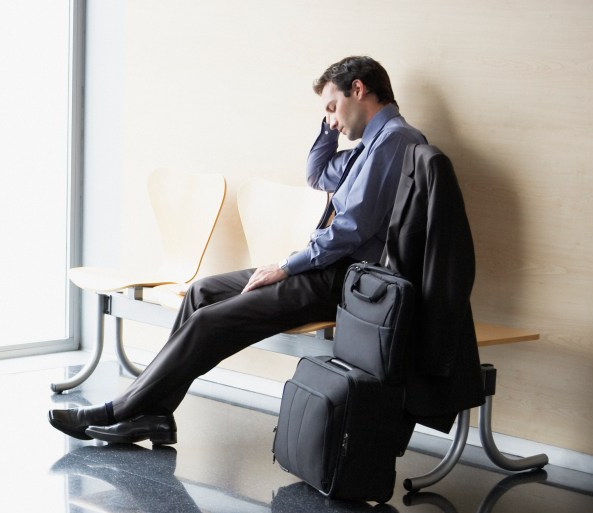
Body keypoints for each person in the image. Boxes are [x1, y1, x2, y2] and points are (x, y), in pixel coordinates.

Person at [50, 55, 427, 446]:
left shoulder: (395, 141)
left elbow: (351, 231)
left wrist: (286, 266)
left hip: (344, 280)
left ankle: (120, 409)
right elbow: (317, 174)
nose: (332, 120)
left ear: (359, 90)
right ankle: (156, 415)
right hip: (324, 268)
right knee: (202, 293)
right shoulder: (371, 146)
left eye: (333, 107)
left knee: (207, 322)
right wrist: (330, 120)